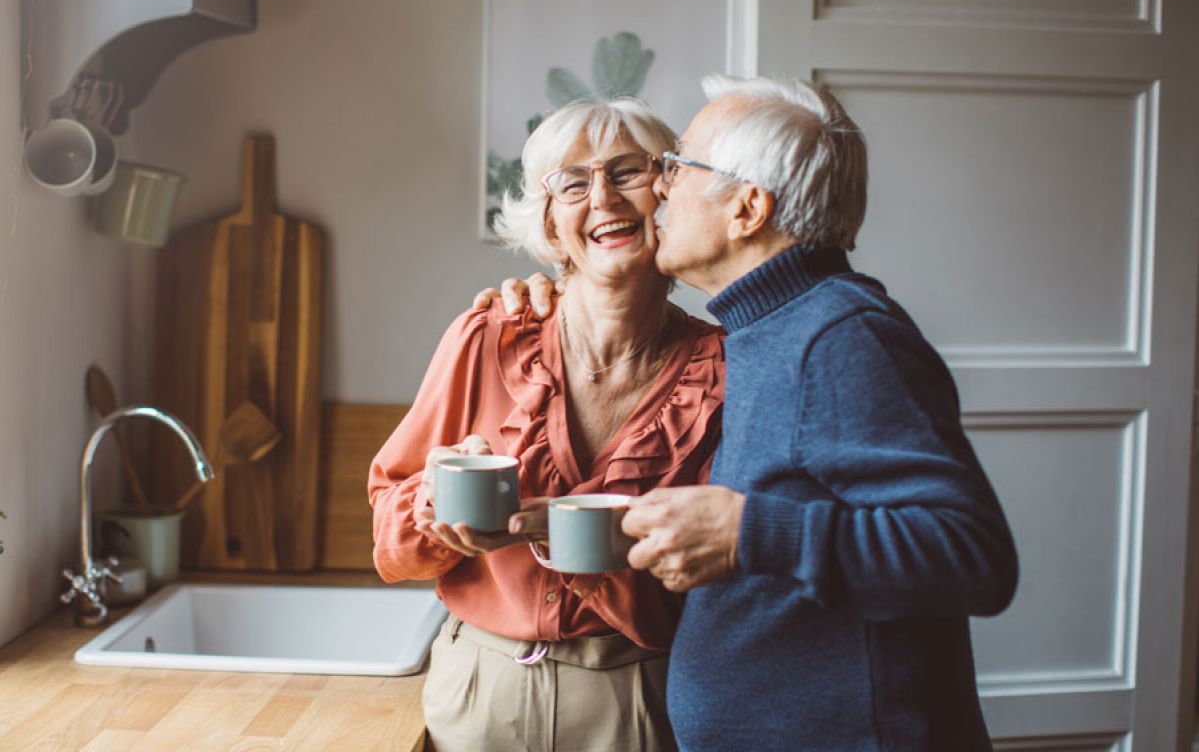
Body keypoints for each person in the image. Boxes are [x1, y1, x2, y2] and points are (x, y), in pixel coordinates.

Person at [484, 74, 1020, 751]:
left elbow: (972, 557)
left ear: (746, 210)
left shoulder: (840, 336)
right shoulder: (771, 330)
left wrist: (746, 534)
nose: (659, 186)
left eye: (677, 165)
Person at [368, 97, 725, 752]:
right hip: (479, 688)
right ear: (550, 224)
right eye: (572, 183)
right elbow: (388, 536)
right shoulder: (485, 335)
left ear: (668, 194)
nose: (603, 199)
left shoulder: (725, 369)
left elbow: (732, 575)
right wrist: (432, 508)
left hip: (641, 695)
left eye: (626, 173)